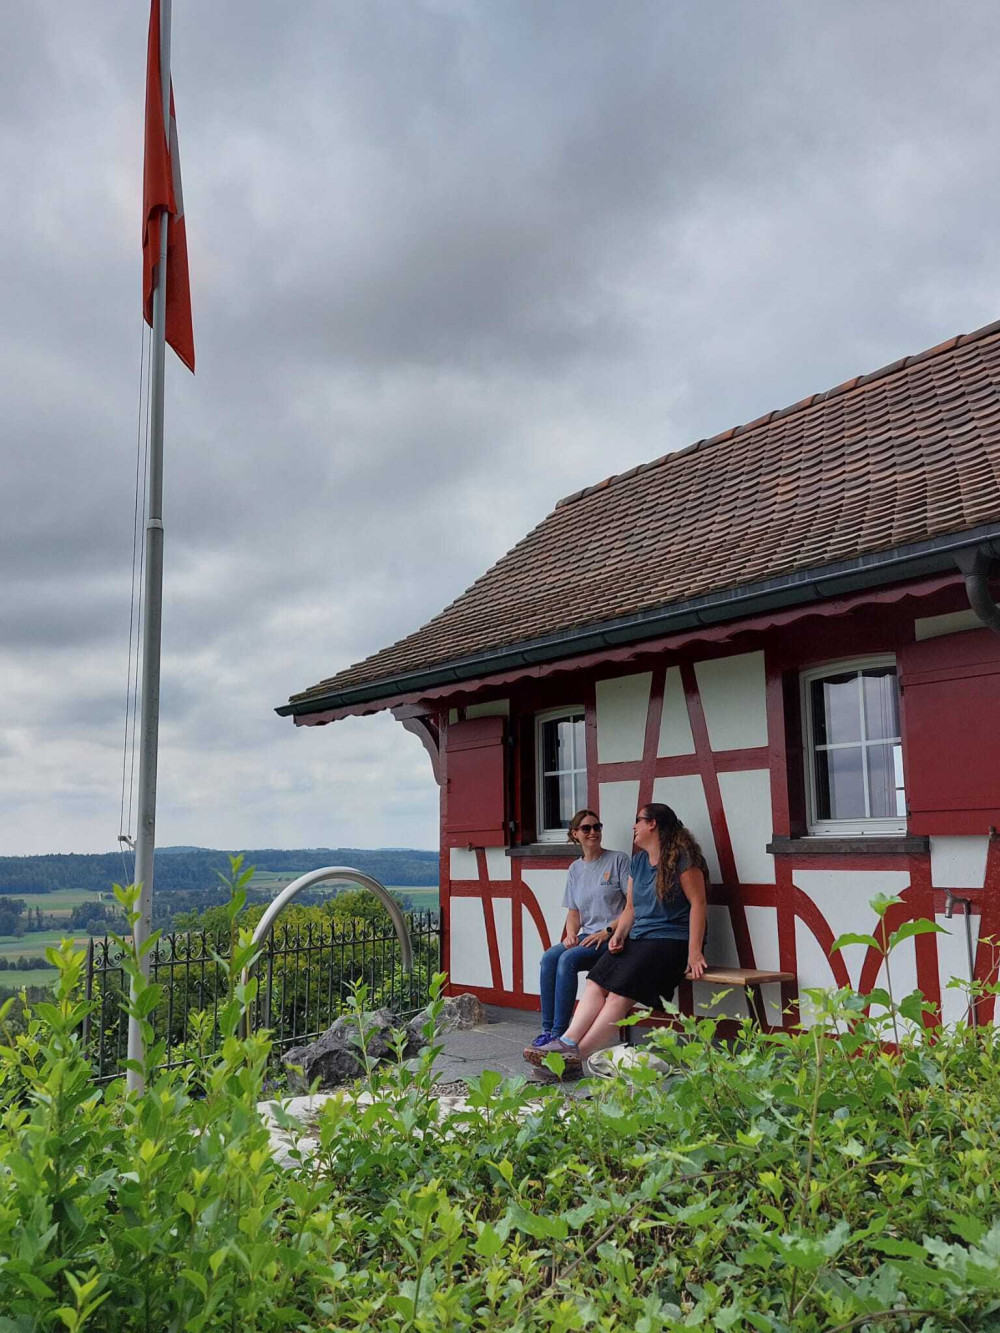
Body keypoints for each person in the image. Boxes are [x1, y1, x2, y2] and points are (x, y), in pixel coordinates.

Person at [525, 802, 708, 1072]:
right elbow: (631, 908)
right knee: (596, 980)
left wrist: (694, 952)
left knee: (619, 993)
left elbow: (698, 904)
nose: (634, 827)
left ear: (652, 824)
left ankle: (575, 1058)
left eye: (638, 821)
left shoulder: (683, 859)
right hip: (641, 938)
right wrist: (618, 934)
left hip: (671, 941)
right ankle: (566, 1042)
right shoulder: (638, 862)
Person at [524, 808, 629, 1054]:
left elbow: (631, 907)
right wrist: (571, 933)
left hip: (611, 936)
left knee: (568, 961)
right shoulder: (575, 869)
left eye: (597, 827)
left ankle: (561, 1034)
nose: (593, 832)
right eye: (587, 828)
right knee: (549, 958)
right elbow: (574, 913)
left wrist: (608, 930)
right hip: (586, 936)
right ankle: (547, 1030)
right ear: (575, 834)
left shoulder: (618, 860)